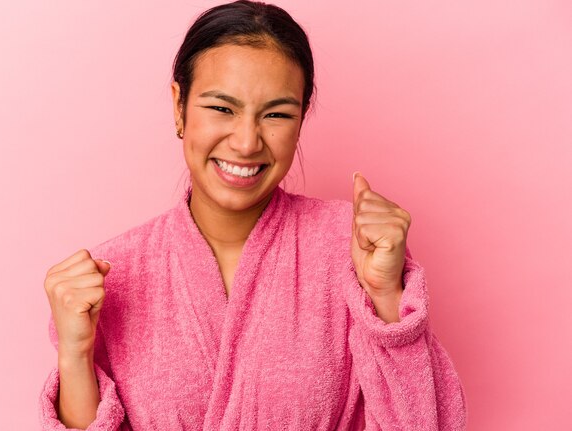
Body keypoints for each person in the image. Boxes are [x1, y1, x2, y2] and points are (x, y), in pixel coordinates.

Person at [39, 1, 467, 429]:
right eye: (222, 108)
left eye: (277, 114)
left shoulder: (353, 247)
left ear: (301, 119)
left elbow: (428, 422)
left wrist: (386, 295)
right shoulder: (113, 273)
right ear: (179, 106)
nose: (246, 142)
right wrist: (75, 354)